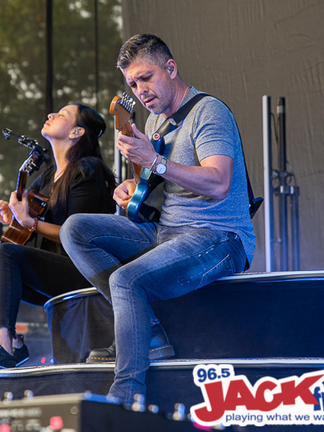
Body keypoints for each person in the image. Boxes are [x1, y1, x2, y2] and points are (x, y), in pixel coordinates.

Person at [60, 34, 255, 405]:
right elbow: (162, 184)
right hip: (167, 231)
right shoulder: (153, 124)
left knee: (126, 279)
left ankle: (126, 395)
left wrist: (155, 161)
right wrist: (132, 186)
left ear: (171, 67)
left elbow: (218, 183)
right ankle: (150, 333)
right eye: (133, 84)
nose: (140, 90)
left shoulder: (208, 112)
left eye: (145, 77)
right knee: (76, 229)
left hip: (219, 236)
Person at [0, 102, 117, 370]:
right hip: (54, 271)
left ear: (76, 132)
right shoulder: (46, 178)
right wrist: (12, 219)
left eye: (62, 115)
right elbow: (29, 224)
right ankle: (11, 340)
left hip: (84, 271)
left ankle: (3, 343)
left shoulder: (87, 170)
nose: (50, 115)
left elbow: (78, 236)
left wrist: (28, 222)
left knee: (7, 252)